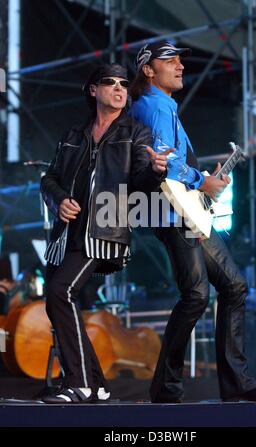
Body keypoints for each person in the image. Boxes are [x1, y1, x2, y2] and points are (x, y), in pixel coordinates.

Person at [130, 41, 256, 403]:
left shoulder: (163, 106)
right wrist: (202, 181)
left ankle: (235, 385)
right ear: (148, 70)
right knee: (198, 295)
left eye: (181, 59)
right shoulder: (154, 106)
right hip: (172, 213)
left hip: (184, 211)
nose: (180, 65)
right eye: (170, 60)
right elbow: (164, 163)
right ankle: (169, 387)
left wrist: (203, 184)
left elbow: (171, 162)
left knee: (231, 287)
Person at [40, 63, 168, 404]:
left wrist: (155, 171)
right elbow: (48, 179)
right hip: (66, 232)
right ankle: (95, 384)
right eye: (109, 82)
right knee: (56, 301)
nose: (118, 88)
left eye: (124, 83)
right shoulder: (72, 136)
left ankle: (79, 382)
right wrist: (59, 201)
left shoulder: (135, 132)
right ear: (93, 90)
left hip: (103, 229)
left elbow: (140, 182)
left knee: (59, 290)